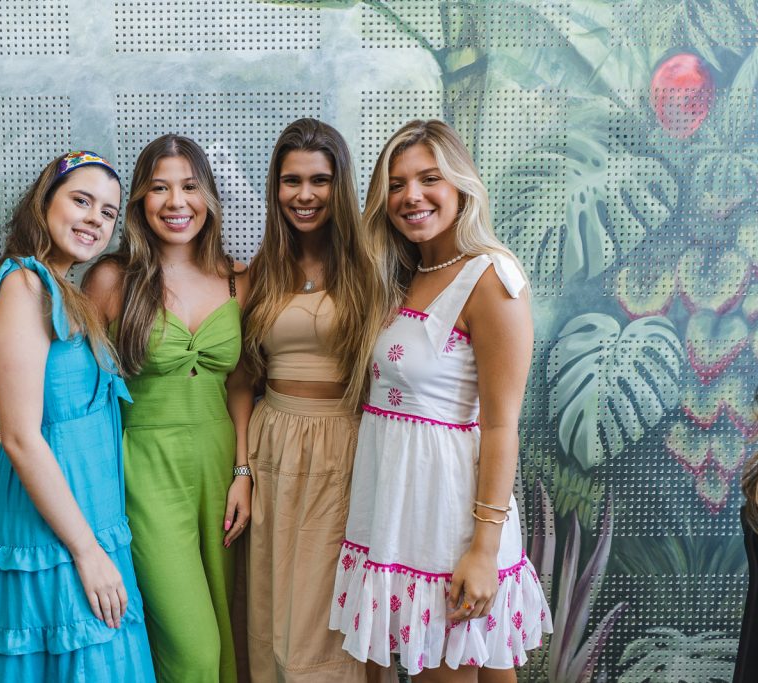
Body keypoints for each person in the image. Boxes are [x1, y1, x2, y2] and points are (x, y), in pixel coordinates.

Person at [328, 120, 552, 682]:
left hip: (452, 523)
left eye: (430, 179)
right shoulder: (409, 271)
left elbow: (500, 427)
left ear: (460, 185)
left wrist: (482, 550)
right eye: (397, 184)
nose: (412, 196)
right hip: (404, 515)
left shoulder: (491, 277)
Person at [0, 151, 155, 682]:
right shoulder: (23, 284)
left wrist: (14, 425)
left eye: (109, 212)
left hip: (88, 518)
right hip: (53, 537)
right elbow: (24, 439)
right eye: (82, 200)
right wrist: (86, 552)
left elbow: (38, 405)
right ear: (45, 202)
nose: (95, 218)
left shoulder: (66, 290)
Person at [81, 134, 252, 682]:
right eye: (159, 188)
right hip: (146, 470)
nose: (176, 202)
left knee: (230, 632)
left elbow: (242, 384)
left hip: (221, 465)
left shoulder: (238, 280)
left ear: (209, 197)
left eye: (189, 186)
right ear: (139, 201)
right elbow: (71, 375)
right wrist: (9, 429)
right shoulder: (112, 279)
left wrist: (243, 472)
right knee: (191, 645)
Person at [240, 118, 379, 682]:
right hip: (273, 444)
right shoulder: (257, 272)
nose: (304, 195)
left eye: (318, 180)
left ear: (339, 185)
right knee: (272, 602)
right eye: (290, 180)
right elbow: (241, 378)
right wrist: (242, 468)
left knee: (326, 613)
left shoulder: (371, 268)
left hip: (343, 444)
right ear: (275, 188)